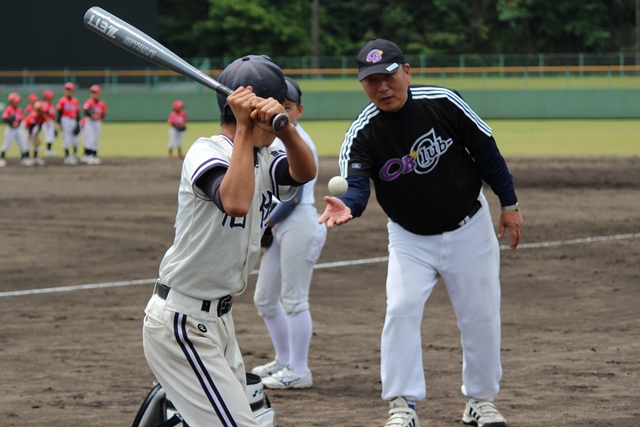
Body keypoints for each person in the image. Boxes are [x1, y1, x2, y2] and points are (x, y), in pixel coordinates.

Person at [318, 38, 523, 427]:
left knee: (480, 316)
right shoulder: (363, 132)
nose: (382, 87)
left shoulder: (443, 102)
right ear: (362, 85)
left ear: (407, 72)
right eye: (371, 80)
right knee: (400, 310)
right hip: (410, 238)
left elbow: (486, 151)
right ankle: (401, 404)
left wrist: (509, 204)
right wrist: (352, 205)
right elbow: (357, 183)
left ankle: (481, 401)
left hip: (470, 226)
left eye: (389, 76)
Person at [142, 55, 317, 427]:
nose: (279, 110)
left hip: (218, 322)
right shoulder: (206, 152)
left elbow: (304, 172)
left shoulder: (264, 155)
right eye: (273, 105)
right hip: (183, 322)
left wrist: (285, 131)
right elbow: (235, 201)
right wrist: (243, 127)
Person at [251, 77, 327, 389]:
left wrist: (265, 224)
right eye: (277, 105)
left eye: (287, 107)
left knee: (294, 300)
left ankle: (299, 370)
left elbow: (293, 197)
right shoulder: (272, 140)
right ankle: (283, 361)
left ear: (298, 110)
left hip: (299, 222)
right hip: (281, 223)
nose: (281, 111)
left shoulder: (299, 142)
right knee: (265, 299)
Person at [0, 92, 31, 167]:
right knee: (7, 143)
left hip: (18, 129)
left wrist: (18, 123)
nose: (17, 103)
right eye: (16, 101)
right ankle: (2, 159)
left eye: (17, 101)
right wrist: (11, 123)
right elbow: (4, 118)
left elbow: (21, 119)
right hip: (10, 129)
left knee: (22, 143)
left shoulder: (19, 109)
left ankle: (24, 159)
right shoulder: (9, 109)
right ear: (11, 101)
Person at [80, 84, 107, 165]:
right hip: (90, 122)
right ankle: (88, 156)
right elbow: (86, 111)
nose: (94, 94)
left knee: (95, 139)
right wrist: (93, 115)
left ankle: (94, 156)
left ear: (99, 93)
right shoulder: (89, 102)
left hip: (97, 123)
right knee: (89, 139)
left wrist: (99, 117)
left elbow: (103, 113)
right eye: (92, 92)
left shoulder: (101, 104)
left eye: (95, 92)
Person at [56, 81, 81, 165]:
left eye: (69, 90)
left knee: (75, 140)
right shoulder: (62, 100)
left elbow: (78, 113)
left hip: (73, 120)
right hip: (65, 120)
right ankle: (67, 157)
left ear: (73, 91)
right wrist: (59, 123)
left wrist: (78, 124)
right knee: (66, 139)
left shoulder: (75, 100)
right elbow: (59, 112)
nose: (68, 91)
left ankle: (73, 155)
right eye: (66, 89)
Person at [23, 101, 48, 166]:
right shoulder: (34, 115)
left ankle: (35, 158)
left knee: (36, 143)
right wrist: (30, 135)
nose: (43, 111)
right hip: (25, 127)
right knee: (28, 142)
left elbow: (40, 126)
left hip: (33, 127)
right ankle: (26, 159)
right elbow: (30, 126)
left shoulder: (42, 116)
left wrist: (37, 134)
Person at [41, 89, 58, 157]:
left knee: (51, 136)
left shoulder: (51, 104)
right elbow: (44, 113)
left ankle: (49, 150)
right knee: (49, 136)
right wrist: (47, 120)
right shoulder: (45, 104)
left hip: (51, 121)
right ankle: (48, 151)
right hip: (47, 122)